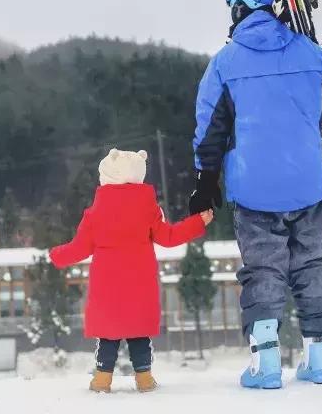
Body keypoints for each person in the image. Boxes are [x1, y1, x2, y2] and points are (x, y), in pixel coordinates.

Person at [188, 0, 322, 389]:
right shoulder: (310, 53)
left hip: (254, 191)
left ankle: (266, 366)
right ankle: (319, 357)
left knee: (263, 269)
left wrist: (207, 182)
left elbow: (210, 130)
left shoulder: (224, 64)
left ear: (240, 9)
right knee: (312, 263)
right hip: (308, 187)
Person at [49, 148, 212, 393]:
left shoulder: (95, 213)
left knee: (108, 335)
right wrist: (197, 222)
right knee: (138, 334)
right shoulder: (149, 208)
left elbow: (79, 248)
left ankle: (102, 379)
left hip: (107, 287)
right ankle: (144, 378)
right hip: (140, 284)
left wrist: (55, 255)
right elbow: (168, 237)